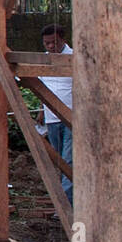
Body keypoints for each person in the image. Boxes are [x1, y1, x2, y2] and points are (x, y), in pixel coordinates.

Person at [35, 23, 73, 203]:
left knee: (68, 161)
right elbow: (42, 87)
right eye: (47, 43)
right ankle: (65, 200)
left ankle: (66, 204)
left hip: (72, 119)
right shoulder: (44, 60)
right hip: (51, 119)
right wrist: (42, 110)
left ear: (63, 39)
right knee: (59, 162)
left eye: (54, 42)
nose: (51, 46)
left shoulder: (73, 58)